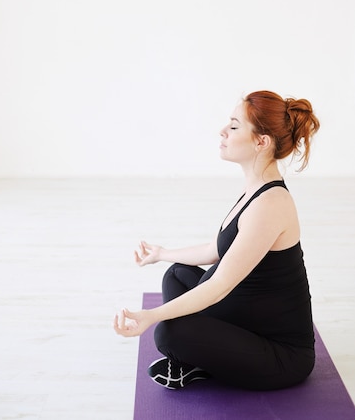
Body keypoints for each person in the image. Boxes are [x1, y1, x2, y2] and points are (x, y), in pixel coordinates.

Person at [114, 90, 321, 391]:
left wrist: (150, 316)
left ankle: (194, 357)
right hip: (250, 320)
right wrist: (162, 253)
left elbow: (220, 284)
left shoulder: (271, 203)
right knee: (177, 273)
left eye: (235, 126)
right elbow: (216, 250)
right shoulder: (256, 190)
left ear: (261, 141)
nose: (223, 131)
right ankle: (200, 355)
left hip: (282, 356)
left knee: (169, 334)